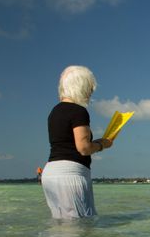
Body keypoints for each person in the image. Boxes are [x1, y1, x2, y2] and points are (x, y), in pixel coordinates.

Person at [41, 65, 113, 219]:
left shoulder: (54, 112)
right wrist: (102, 145)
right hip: (70, 174)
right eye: (89, 88)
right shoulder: (78, 111)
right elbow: (83, 148)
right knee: (80, 225)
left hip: (51, 173)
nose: (91, 93)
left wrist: (99, 141)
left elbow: (65, 143)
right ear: (82, 87)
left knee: (61, 225)